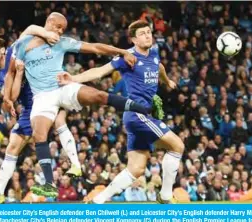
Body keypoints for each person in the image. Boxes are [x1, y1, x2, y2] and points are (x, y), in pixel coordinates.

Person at [9, 12, 153, 197]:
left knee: (98, 95)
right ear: (49, 23)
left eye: (63, 29)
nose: (61, 32)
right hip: (41, 97)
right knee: (39, 135)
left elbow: (94, 48)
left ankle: (144, 109)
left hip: (61, 86)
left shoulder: (62, 43)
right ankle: (50, 184)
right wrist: (8, 97)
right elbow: (13, 65)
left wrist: (122, 51)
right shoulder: (24, 45)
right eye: (58, 27)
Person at [58, 20, 185, 204]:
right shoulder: (128, 57)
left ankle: (98, 200)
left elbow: (159, 67)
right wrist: (74, 78)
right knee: (177, 146)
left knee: (136, 169)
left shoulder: (154, 55)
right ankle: (165, 196)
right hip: (137, 114)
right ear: (133, 39)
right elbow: (100, 71)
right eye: (142, 33)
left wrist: (167, 81)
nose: (148, 35)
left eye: (149, 32)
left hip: (140, 117)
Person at [0, 26, 81, 203]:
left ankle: (76, 165)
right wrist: (11, 99)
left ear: (3, 49)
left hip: (46, 92)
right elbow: (10, 99)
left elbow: (29, 28)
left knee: (60, 121)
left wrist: (45, 33)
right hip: (29, 107)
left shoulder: (15, 50)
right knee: (12, 146)